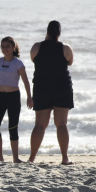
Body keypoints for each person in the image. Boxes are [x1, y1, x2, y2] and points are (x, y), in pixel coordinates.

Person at [28, 21, 74, 164]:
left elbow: (33, 60)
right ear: (59, 33)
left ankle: (32, 158)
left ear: (47, 31)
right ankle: (65, 158)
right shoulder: (66, 48)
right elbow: (70, 62)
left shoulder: (36, 47)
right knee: (62, 124)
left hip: (42, 87)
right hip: (62, 87)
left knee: (40, 125)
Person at [0, 36, 32, 163]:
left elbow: (26, 81)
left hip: (13, 97)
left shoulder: (18, 63)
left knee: (13, 128)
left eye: (7, 46)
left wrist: (30, 97)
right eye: (3, 46)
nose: (5, 49)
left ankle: (15, 158)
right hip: (0, 96)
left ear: (13, 48)